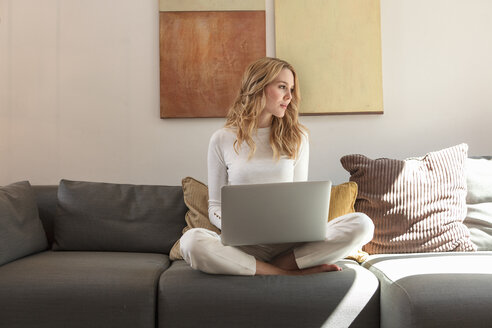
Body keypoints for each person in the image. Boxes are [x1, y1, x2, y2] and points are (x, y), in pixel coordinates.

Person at [180, 57, 374, 276]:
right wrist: (234, 227)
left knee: (363, 225)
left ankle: (265, 267)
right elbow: (215, 206)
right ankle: (284, 272)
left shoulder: (297, 137)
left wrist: (300, 227)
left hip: (289, 246)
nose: (289, 97)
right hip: (243, 246)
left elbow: (299, 198)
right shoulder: (222, 139)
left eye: (291, 89)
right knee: (191, 241)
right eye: (282, 87)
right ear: (258, 87)